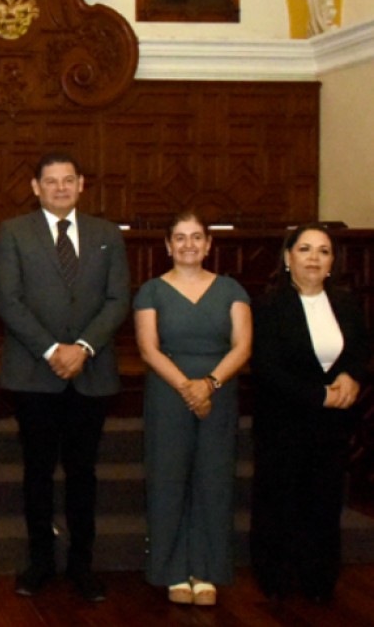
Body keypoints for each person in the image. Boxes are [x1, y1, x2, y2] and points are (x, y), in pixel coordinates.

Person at [0, 152, 130, 602]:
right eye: (50, 181)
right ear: (36, 187)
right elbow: (8, 301)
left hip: (91, 374)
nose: (60, 188)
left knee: (83, 474)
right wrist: (53, 350)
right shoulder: (14, 233)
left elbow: (117, 300)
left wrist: (83, 348)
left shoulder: (108, 235)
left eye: (68, 180)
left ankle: (82, 565)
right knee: (37, 472)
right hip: (35, 373)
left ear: (81, 184)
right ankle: (40, 562)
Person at [133, 211, 252, 606]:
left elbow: (242, 347)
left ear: (208, 244)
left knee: (213, 479)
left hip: (218, 391)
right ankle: (172, 571)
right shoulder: (151, 290)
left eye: (196, 237)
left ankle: (206, 570)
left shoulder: (232, 289)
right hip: (169, 392)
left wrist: (209, 385)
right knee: (169, 478)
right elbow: (148, 348)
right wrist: (188, 388)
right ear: (167, 245)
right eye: (180, 238)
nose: (188, 244)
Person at [251, 223, 371, 604]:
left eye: (323, 251)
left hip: (332, 424)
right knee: (280, 501)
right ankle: (276, 578)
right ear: (288, 258)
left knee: (324, 501)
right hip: (284, 420)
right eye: (305, 249)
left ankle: (319, 579)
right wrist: (318, 394)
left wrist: (351, 376)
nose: (314, 258)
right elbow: (266, 367)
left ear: (333, 261)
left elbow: (359, 348)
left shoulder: (347, 302)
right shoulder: (269, 305)